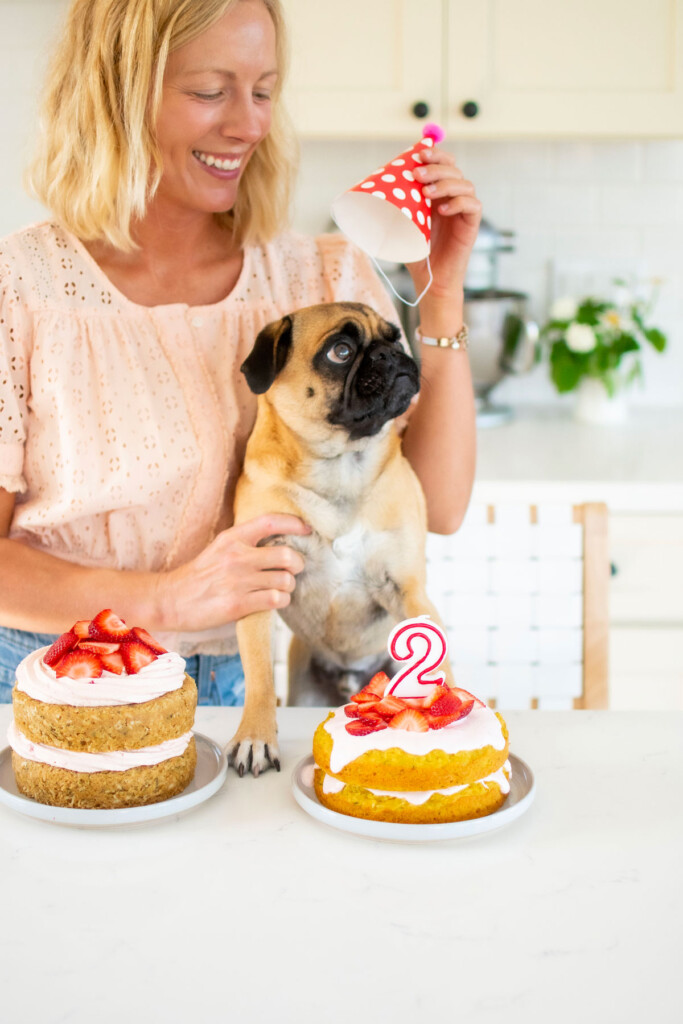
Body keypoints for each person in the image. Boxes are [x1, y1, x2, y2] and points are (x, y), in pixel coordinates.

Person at [0, 0, 481, 705]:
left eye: (262, 91)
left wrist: (440, 297)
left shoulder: (321, 280)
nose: (249, 124)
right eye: (209, 91)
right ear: (117, 94)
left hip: (240, 687)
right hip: (55, 682)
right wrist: (166, 599)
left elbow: (437, 506)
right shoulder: (23, 292)